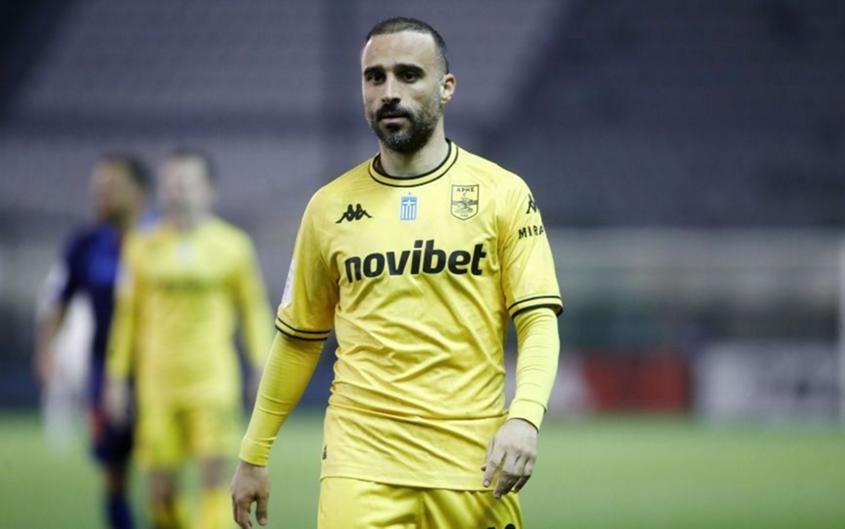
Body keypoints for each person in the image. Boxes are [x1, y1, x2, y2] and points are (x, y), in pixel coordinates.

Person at [231, 16, 562, 529]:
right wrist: (254, 453)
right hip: (360, 463)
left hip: (474, 465)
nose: (389, 91)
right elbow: (298, 339)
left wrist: (525, 418)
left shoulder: (503, 194)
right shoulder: (329, 207)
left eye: (408, 75)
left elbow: (537, 320)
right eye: (375, 77)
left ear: (446, 87)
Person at [105, 149, 272, 529]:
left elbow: (253, 310)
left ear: (209, 190)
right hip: (157, 383)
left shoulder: (233, 246)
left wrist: (261, 363)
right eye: (170, 184)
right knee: (161, 498)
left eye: (186, 183)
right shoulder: (140, 246)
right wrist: (116, 376)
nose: (176, 192)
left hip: (212, 381)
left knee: (214, 485)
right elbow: (126, 318)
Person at [34, 154, 151, 529]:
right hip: (106, 369)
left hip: (158, 369)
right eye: (96, 188)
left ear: (138, 193)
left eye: (110, 187)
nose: (99, 195)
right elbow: (60, 301)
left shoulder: (160, 239)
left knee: (163, 475)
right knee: (115, 472)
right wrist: (46, 350)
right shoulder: (84, 244)